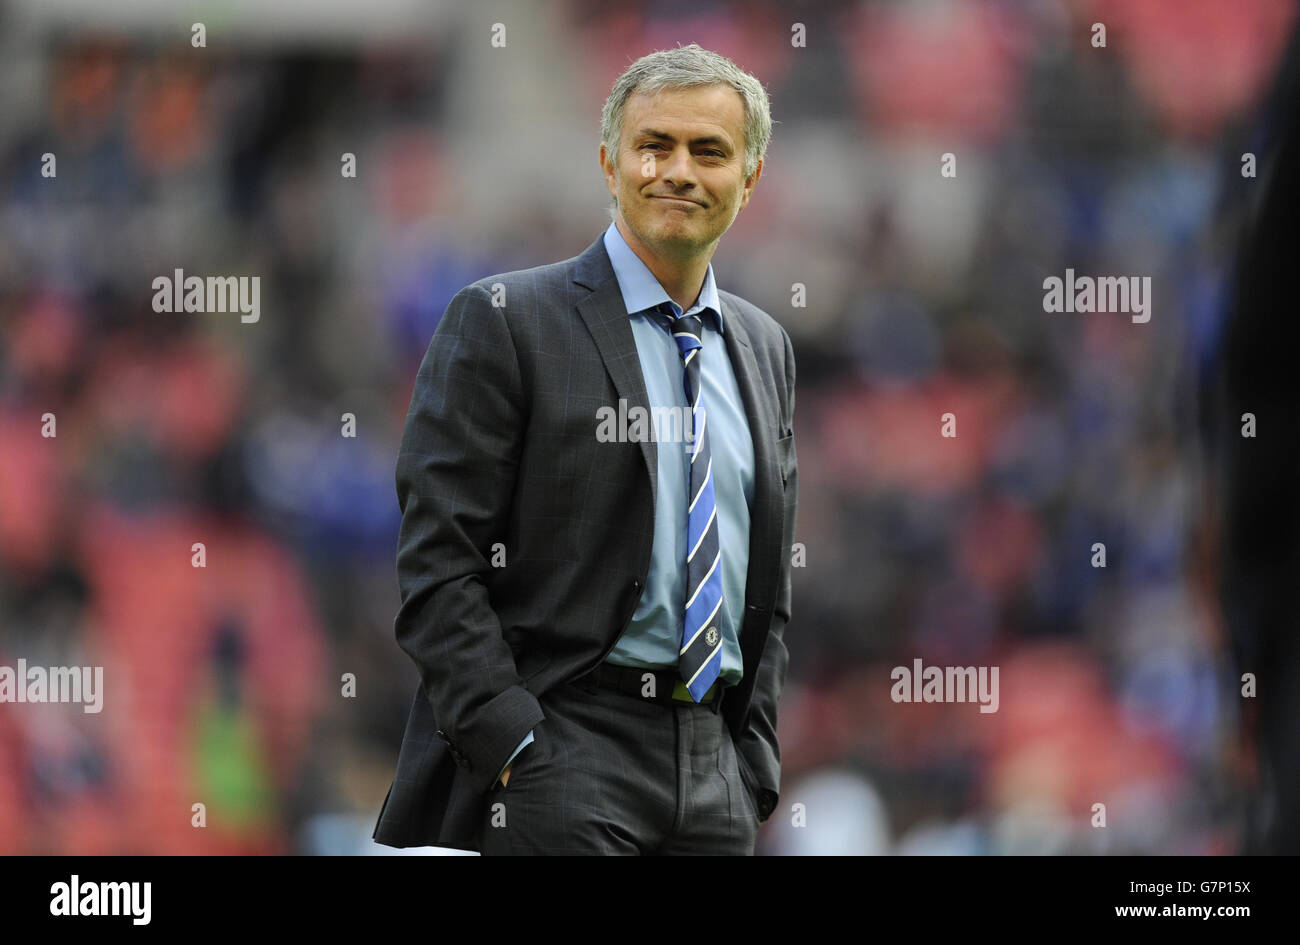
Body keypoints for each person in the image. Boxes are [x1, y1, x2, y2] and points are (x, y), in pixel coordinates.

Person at [372, 43, 796, 855]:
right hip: (564, 754)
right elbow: (437, 563)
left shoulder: (766, 346)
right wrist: (515, 747)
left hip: (713, 774)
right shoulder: (506, 320)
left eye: (709, 151)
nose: (677, 170)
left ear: (750, 179)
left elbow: (767, 588)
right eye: (654, 146)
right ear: (609, 164)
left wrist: (752, 764)